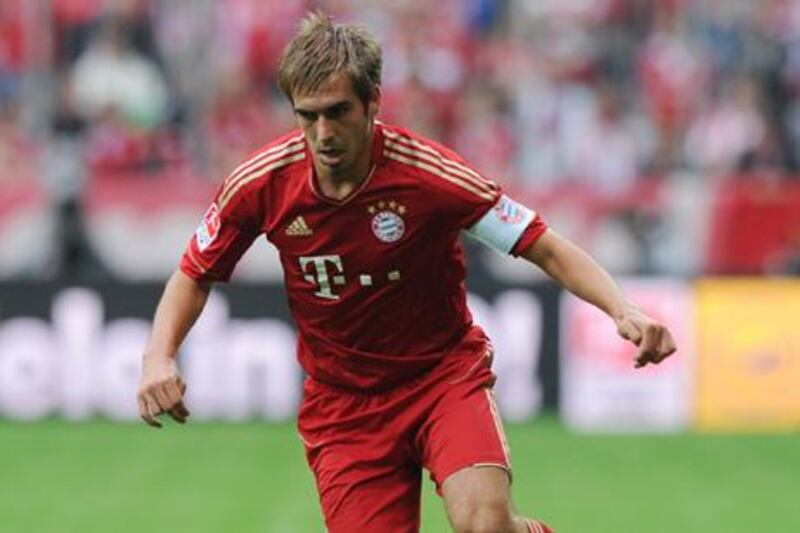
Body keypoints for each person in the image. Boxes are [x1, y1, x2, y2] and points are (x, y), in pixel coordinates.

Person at [137, 12, 676, 533]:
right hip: (344, 408)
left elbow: (541, 245)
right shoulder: (260, 184)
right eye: (307, 115)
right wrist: (159, 356)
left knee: (484, 526)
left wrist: (622, 308)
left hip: (441, 378)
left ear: (374, 102)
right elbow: (193, 273)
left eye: (338, 111)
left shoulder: (430, 177)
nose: (322, 132)